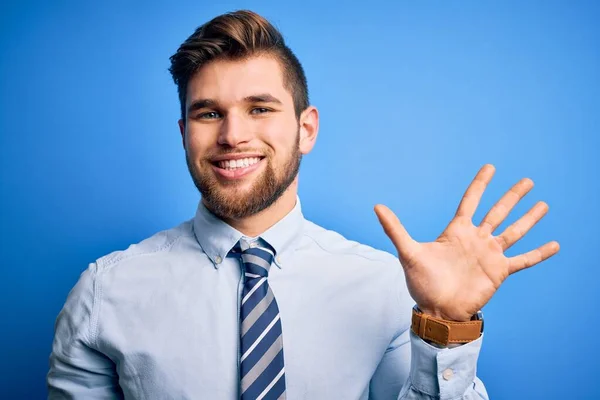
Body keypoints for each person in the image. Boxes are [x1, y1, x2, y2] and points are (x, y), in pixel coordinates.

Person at [47, 9, 559, 400]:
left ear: (305, 128)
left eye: (260, 108)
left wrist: (446, 323)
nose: (232, 135)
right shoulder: (104, 294)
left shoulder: (388, 290)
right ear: (184, 134)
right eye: (208, 113)